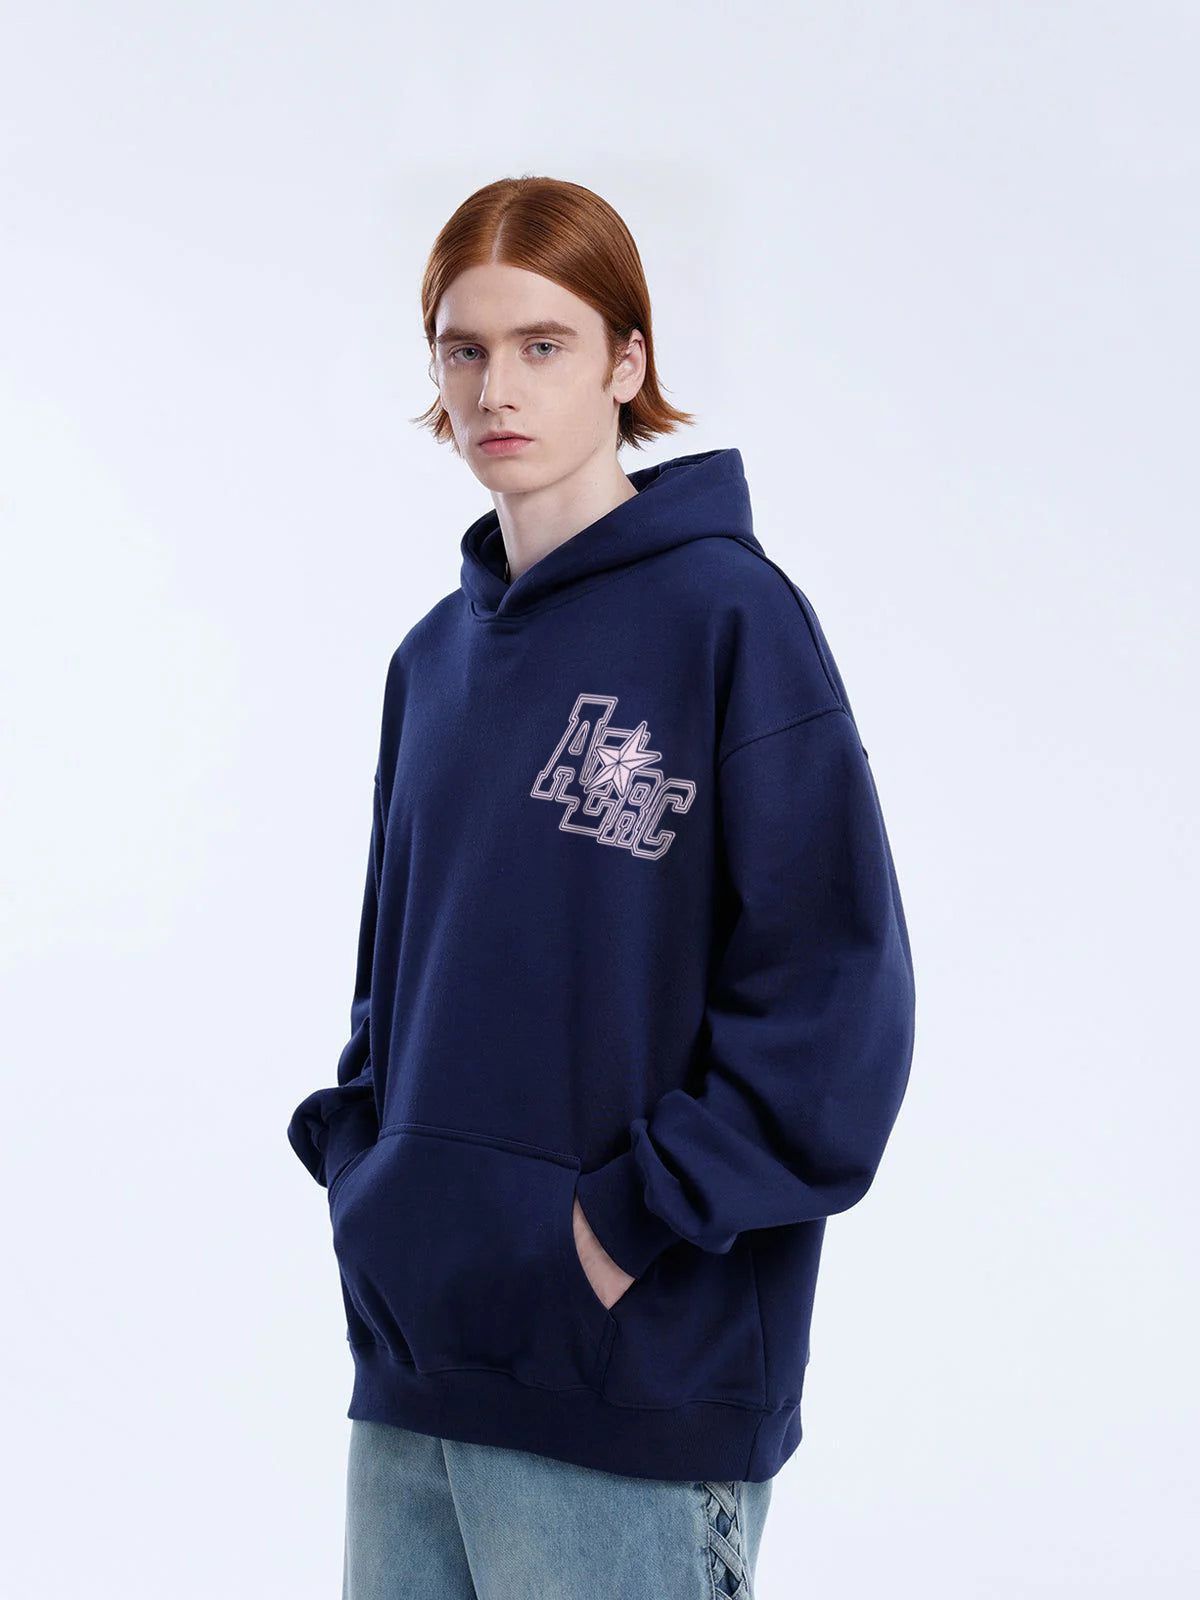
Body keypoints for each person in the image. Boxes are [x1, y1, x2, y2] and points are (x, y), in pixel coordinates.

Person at [287, 174, 917, 1600]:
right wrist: (375, 1189)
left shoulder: (730, 619)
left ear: (627, 362)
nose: (496, 388)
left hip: (635, 1387)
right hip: (415, 1377)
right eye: (464, 349)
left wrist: (620, 1227)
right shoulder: (430, 662)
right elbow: (394, 986)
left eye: (544, 344)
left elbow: (836, 1004)